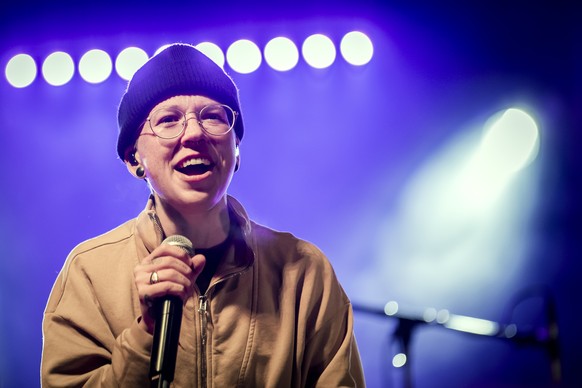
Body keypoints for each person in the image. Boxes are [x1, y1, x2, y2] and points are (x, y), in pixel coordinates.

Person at [41, 43, 365, 387]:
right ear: (134, 159)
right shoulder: (89, 273)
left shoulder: (304, 272)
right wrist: (144, 336)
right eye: (168, 120)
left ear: (236, 150)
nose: (195, 133)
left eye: (212, 116)